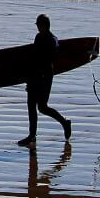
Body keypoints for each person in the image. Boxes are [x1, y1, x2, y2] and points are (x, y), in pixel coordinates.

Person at [18, 14, 71, 146]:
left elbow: (48, 59)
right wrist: (29, 77)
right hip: (34, 75)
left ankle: (64, 122)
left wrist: (38, 75)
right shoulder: (38, 37)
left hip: (45, 76)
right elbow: (33, 57)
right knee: (31, 105)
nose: (37, 27)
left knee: (42, 107)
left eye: (38, 25)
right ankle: (32, 135)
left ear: (44, 25)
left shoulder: (52, 40)